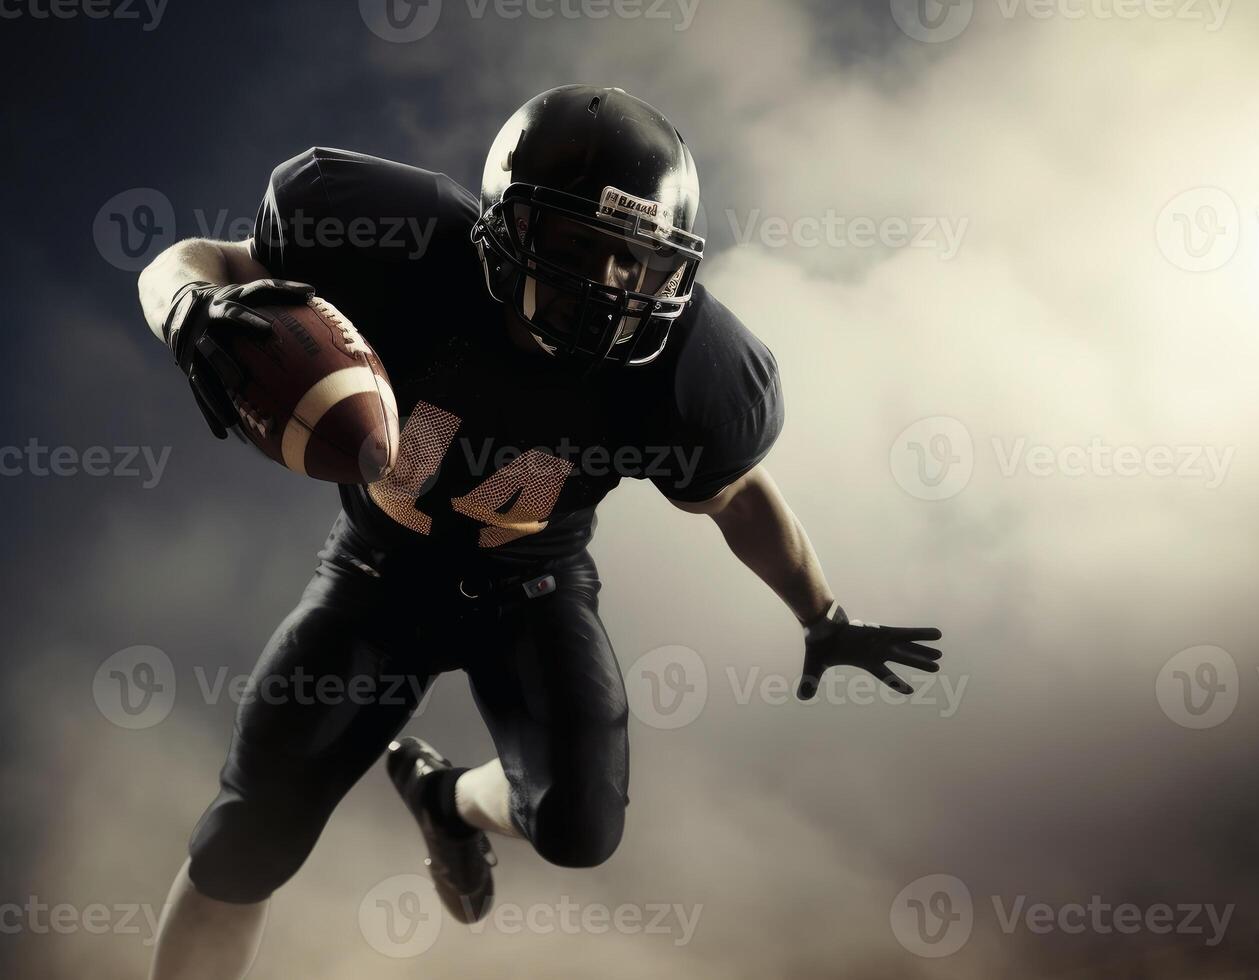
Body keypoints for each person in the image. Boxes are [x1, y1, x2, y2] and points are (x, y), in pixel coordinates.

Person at [136, 85, 942, 979]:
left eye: (636, 261)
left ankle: (444, 796)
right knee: (247, 836)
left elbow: (739, 497)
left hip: (532, 590)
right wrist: (185, 307)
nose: (606, 287)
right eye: (577, 245)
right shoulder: (399, 246)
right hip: (374, 577)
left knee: (578, 824)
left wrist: (821, 616)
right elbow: (203, 259)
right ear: (501, 227)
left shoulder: (690, 373)